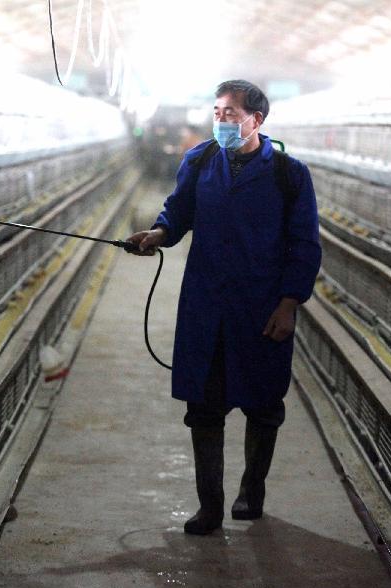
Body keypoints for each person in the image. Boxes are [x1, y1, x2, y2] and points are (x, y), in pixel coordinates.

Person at [127, 80, 322, 535]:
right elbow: (179, 211)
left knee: (263, 406)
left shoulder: (289, 175)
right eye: (216, 112)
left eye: (231, 114)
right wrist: (158, 233)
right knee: (205, 408)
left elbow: (304, 244)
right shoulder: (199, 161)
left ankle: (251, 492)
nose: (221, 121)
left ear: (257, 120)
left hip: (261, 307)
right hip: (207, 306)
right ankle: (208, 507)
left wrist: (289, 303)